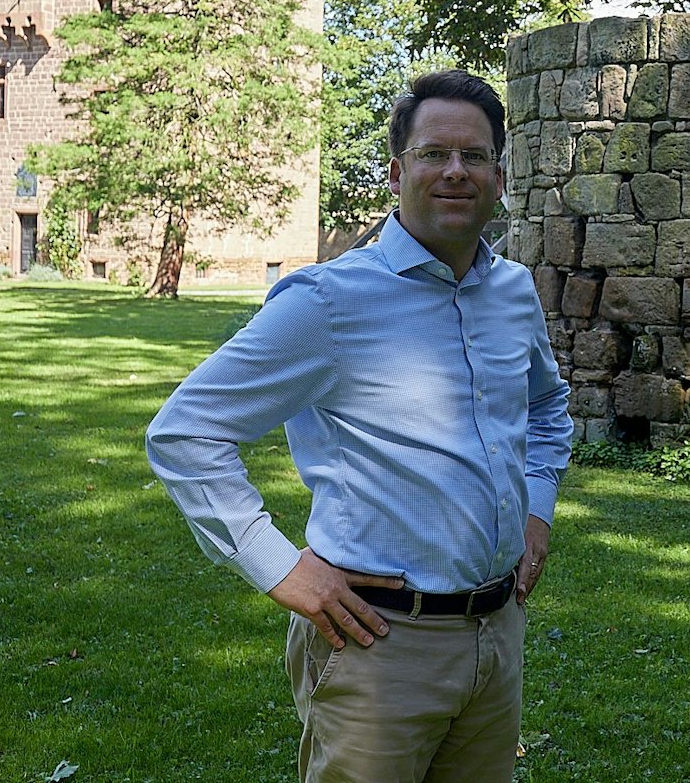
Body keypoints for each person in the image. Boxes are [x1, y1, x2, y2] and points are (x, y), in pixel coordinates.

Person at [146, 70, 573, 783]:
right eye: (434, 153)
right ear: (397, 171)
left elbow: (548, 406)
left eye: (474, 156)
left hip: (498, 634)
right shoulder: (329, 300)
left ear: (500, 176)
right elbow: (185, 432)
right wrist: (279, 566)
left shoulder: (513, 291)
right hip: (377, 644)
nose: (455, 171)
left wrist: (538, 508)